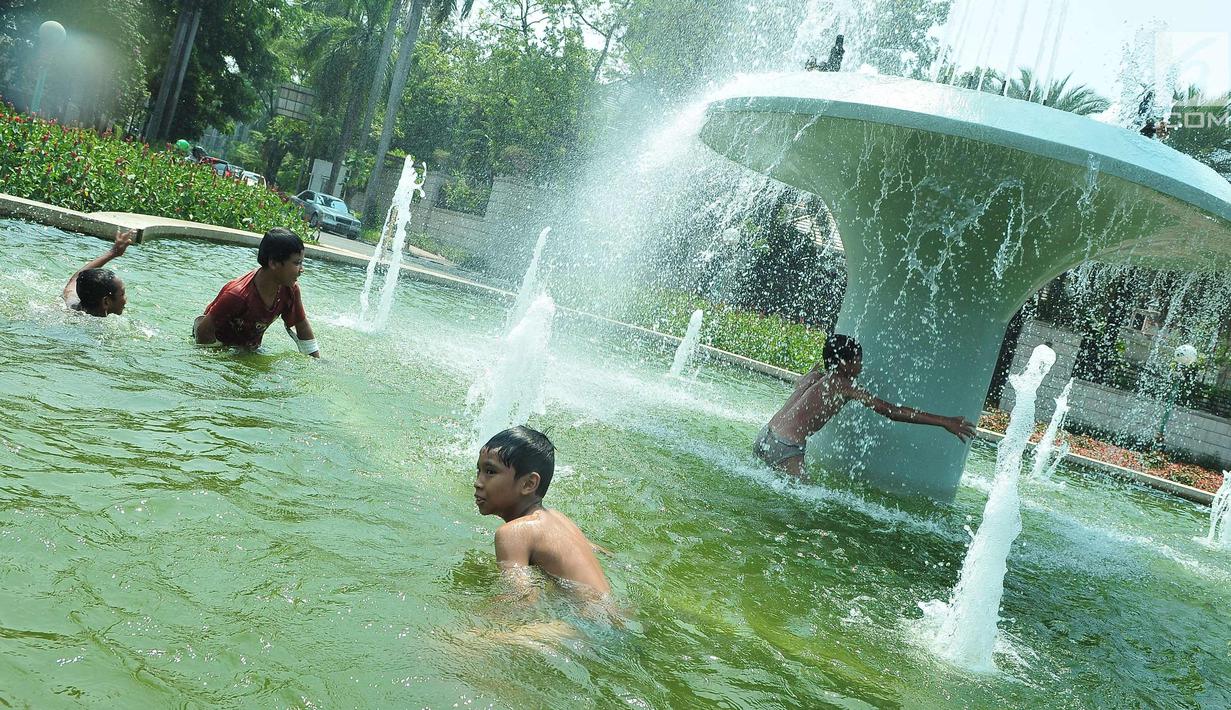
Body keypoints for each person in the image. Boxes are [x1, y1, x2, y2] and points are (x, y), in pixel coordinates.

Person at [755, 334, 976, 478]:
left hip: (766, 435)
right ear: (844, 363)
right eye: (857, 359)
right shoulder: (844, 385)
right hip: (787, 447)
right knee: (806, 505)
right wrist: (944, 421)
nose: (861, 364)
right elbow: (892, 411)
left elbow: (801, 387)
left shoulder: (814, 375)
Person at [473, 426, 611, 602]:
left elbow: (521, 600)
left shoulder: (513, 533)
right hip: (609, 614)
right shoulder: (557, 518)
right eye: (479, 470)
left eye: (490, 472)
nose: (478, 482)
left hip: (586, 623)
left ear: (529, 484)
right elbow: (596, 550)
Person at [193, 228, 320, 357]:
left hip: (249, 350)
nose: (301, 269)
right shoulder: (237, 295)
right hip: (222, 349)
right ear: (274, 263)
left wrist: (316, 361)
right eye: (297, 263)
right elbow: (204, 331)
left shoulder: (290, 290)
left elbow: (301, 326)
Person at [62, 229, 137, 317]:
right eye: (122, 294)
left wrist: (113, 253)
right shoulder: (99, 328)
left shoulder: (71, 305)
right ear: (106, 301)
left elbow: (75, 280)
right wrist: (113, 253)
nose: (126, 300)